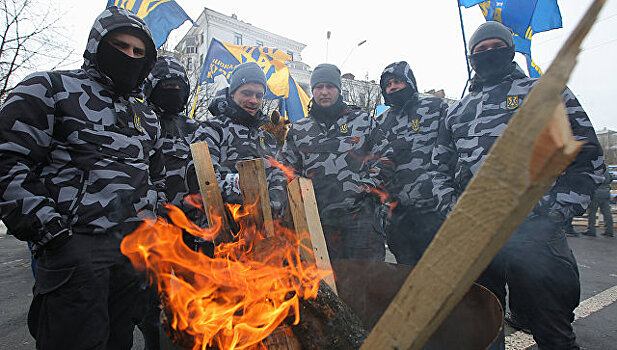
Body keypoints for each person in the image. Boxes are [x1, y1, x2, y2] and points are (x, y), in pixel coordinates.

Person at [430, 21, 604, 349]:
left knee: (553, 330)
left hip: (535, 238)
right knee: (481, 329)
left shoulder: (546, 93)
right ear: (471, 58)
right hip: (477, 239)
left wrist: (553, 211)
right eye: (480, 50)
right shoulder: (457, 112)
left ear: (509, 50)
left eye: (496, 46)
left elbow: (586, 158)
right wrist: (455, 211)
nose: (488, 53)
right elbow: (438, 172)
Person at [0, 6, 165, 350]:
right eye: (120, 46)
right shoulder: (49, 87)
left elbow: (153, 176)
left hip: (131, 254)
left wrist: (153, 223)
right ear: (96, 46)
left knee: (119, 342)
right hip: (75, 251)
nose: (129, 56)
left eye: (138, 52)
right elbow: (8, 161)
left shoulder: (145, 115)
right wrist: (53, 234)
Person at [281, 63, 392, 261]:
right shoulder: (299, 129)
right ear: (313, 90)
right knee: (324, 286)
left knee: (367, 282)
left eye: (330, 86)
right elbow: (288, 170)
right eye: (319, 87)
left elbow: (384, 159)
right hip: (317, 223)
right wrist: (305, 196)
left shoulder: (363, 122)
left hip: (361, 222)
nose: (324, 92)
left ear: (339, 90)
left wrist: (364, 190)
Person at [377, 61, 449, 266]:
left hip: (434, 211)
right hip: (399, 217)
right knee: (406, 274)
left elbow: (450, 151)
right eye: (388, 84)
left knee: (441, 272)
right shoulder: (381, 122)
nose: (393, 87)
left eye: (397, 81)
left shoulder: (436, 108)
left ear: (409, 81)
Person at [205, 62, 286, 217]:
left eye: (259, 95)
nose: (253, 100)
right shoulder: (212, 130)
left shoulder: (267, 139)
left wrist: (271, 205)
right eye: (247, 93)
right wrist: (250, 204)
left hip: (265, 230)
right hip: (222, 231)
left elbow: (279, 176)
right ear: (232, 93)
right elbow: (205, 179)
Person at [583, 168, 614, 237]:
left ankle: (591, 230)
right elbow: (611, 178)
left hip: (595, 193)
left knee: (592, 212)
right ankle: (609, 230)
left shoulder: (593, 169)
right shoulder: (605, 169)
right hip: (606, 193)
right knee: (607, 213)